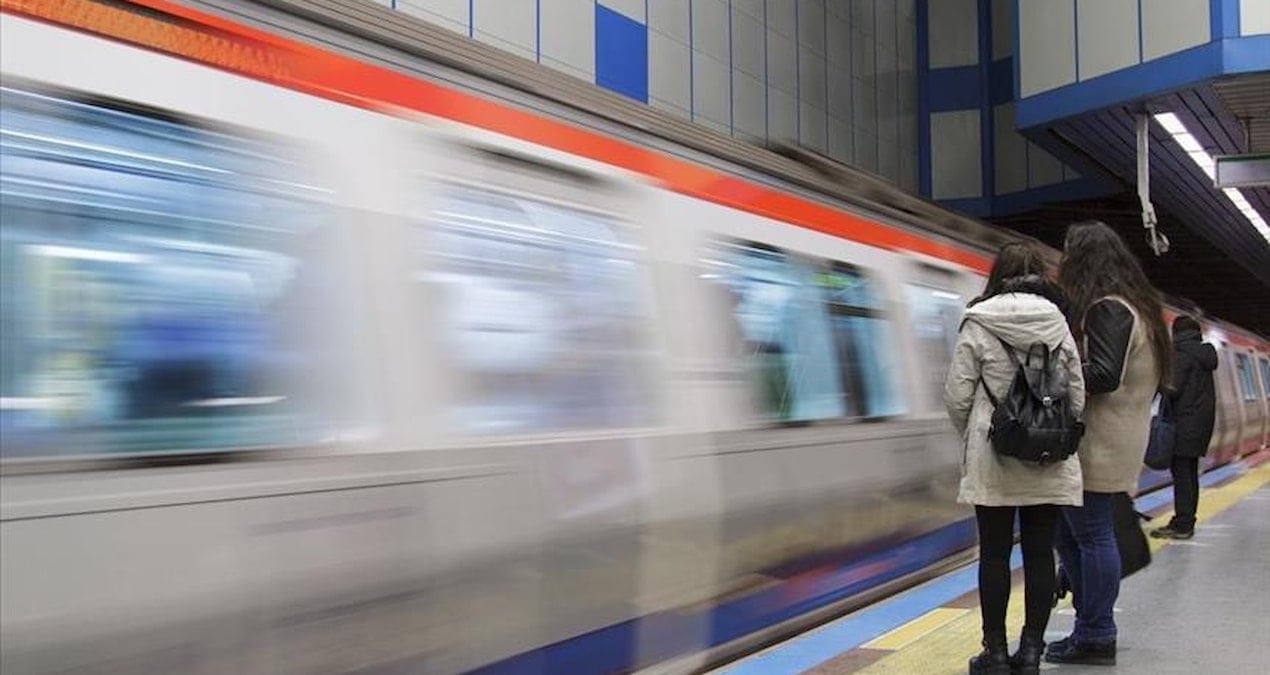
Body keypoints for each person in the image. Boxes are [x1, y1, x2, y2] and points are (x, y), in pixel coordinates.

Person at [945, 242, 1086, 675]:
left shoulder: (978, 321)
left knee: (994, 554)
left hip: (994, 456)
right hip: (1046, 457)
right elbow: (1078, 397)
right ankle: (1030, 652)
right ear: (1041, 276)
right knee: (1041, 553)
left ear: (997, 275)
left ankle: (995, 653)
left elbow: (957, 396)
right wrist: (1050, 429)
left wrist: (977, 434)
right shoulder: (1058, 324)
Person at [1047, 222, 1172, 666]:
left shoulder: (1109, 309)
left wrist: (1053, 373)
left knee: (1091, 535)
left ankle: (1097, 633)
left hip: (1101, 441)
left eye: (1068, 255)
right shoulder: (1139, 308)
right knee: (1072, 533)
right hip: (1117, 436)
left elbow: (1102, 374)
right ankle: (1089, 626)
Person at [1151, 315, 1218, 539]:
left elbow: (1172, 388)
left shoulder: (1182, 355)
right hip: (1199, 425)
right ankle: (1186, 520)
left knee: (1182, 475)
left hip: (1183, 425)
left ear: (1176, 332)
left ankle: (1182, 524)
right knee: (1189, 474)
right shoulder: (1203, 354)